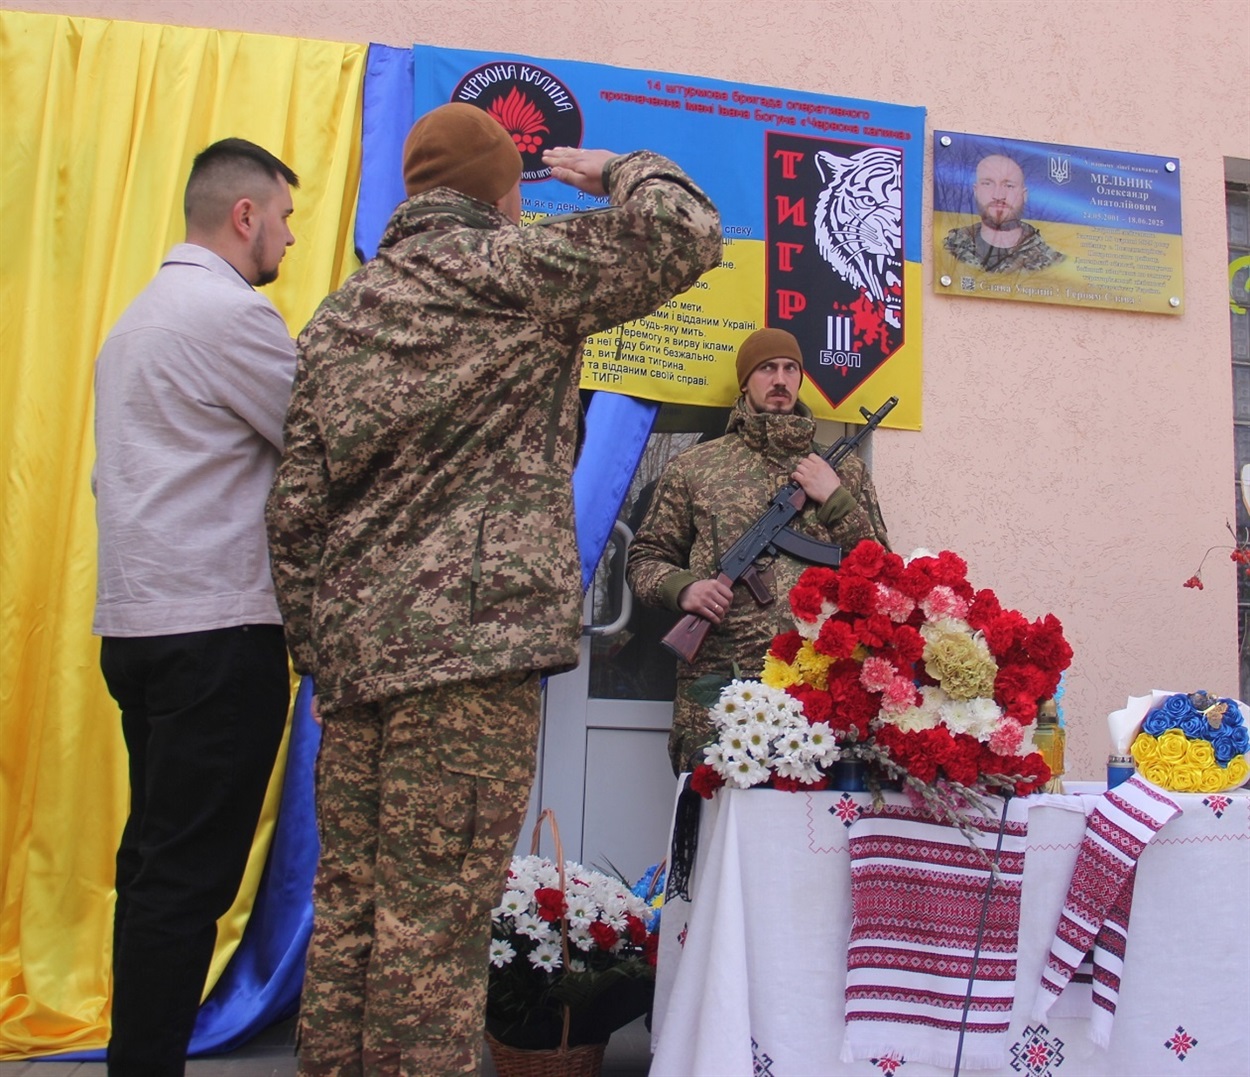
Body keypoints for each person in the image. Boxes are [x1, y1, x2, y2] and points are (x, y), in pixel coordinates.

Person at [264, 102, 721, 1075]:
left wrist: (325, 653)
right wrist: (616, 170)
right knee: (433, 929)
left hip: (358, 667)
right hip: (468, 663)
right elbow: (683, 231)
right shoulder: (509, 271)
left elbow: (295, 510)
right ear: (500, 193)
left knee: (349, 912)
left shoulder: (339, 316)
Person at [91, 138, 299, 1075]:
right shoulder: (231, 314)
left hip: (139, 627)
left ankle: (138, 1056)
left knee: (154, 866)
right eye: (284, 218)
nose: (289, 238)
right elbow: (322, 441)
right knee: (186, 879)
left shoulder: (134, 322)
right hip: (216, 631)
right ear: (244, 216)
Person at [627, 328, 890, 775]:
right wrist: (683, 589)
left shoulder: (844, 472)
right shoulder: (695, 467)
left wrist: (835, 499)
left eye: (790, 369)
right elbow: (645, 557)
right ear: (745, 381)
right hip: (722, 682)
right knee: (714, 808)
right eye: (767, 369)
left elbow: (880, 572)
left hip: (820, 684)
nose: (780, 380)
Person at [943, 152, 1064, 273]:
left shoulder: (1054, 263)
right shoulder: (950, 248)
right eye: (987, 184)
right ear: (976, 191)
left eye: (1009, 186)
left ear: (1024, 195)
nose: (998, 195)